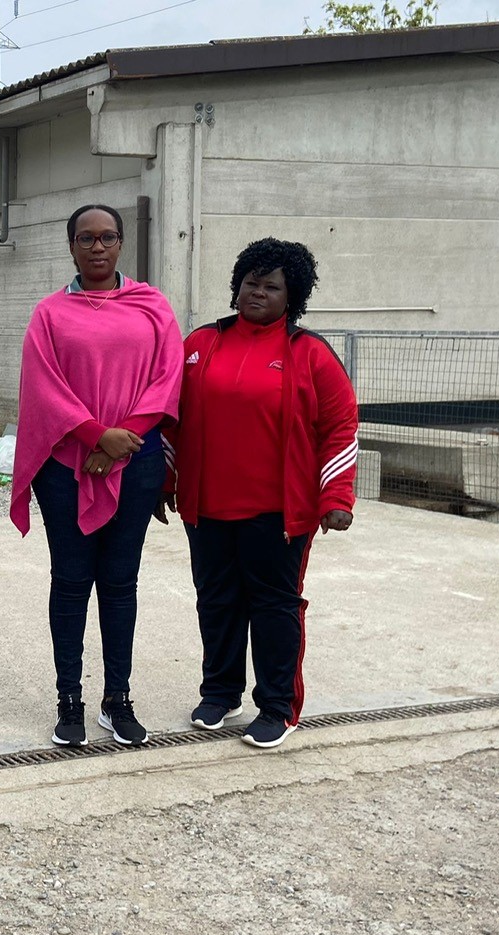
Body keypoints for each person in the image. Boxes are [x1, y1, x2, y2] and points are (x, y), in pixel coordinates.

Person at [164, 237, 358, 749]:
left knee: (274, 607)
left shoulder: (309, 353)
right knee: (217, 600)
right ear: (236, 285)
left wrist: (336, 497)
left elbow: (340, 427)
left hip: (279, 511)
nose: (258, 292)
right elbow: (170, 420)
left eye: (272, 286)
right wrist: (165, 479)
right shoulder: (200, 344)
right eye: (251, 282)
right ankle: (221, 692)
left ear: (290, 296)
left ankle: (277, 707)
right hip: (207, 507)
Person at [10, 204, 183, 749]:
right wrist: (93, 435)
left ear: (121, 243)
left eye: (108, 237)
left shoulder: (152, 306)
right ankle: (69, 699)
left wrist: (120, 438)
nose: (98, 247)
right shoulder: (50, 314)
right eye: (86, 238)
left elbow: (167, 375)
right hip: (67, 465)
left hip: (136, 459)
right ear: (71, 246)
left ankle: (118, 698)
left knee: (119, 581)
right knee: (70, 579)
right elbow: (43, 385)